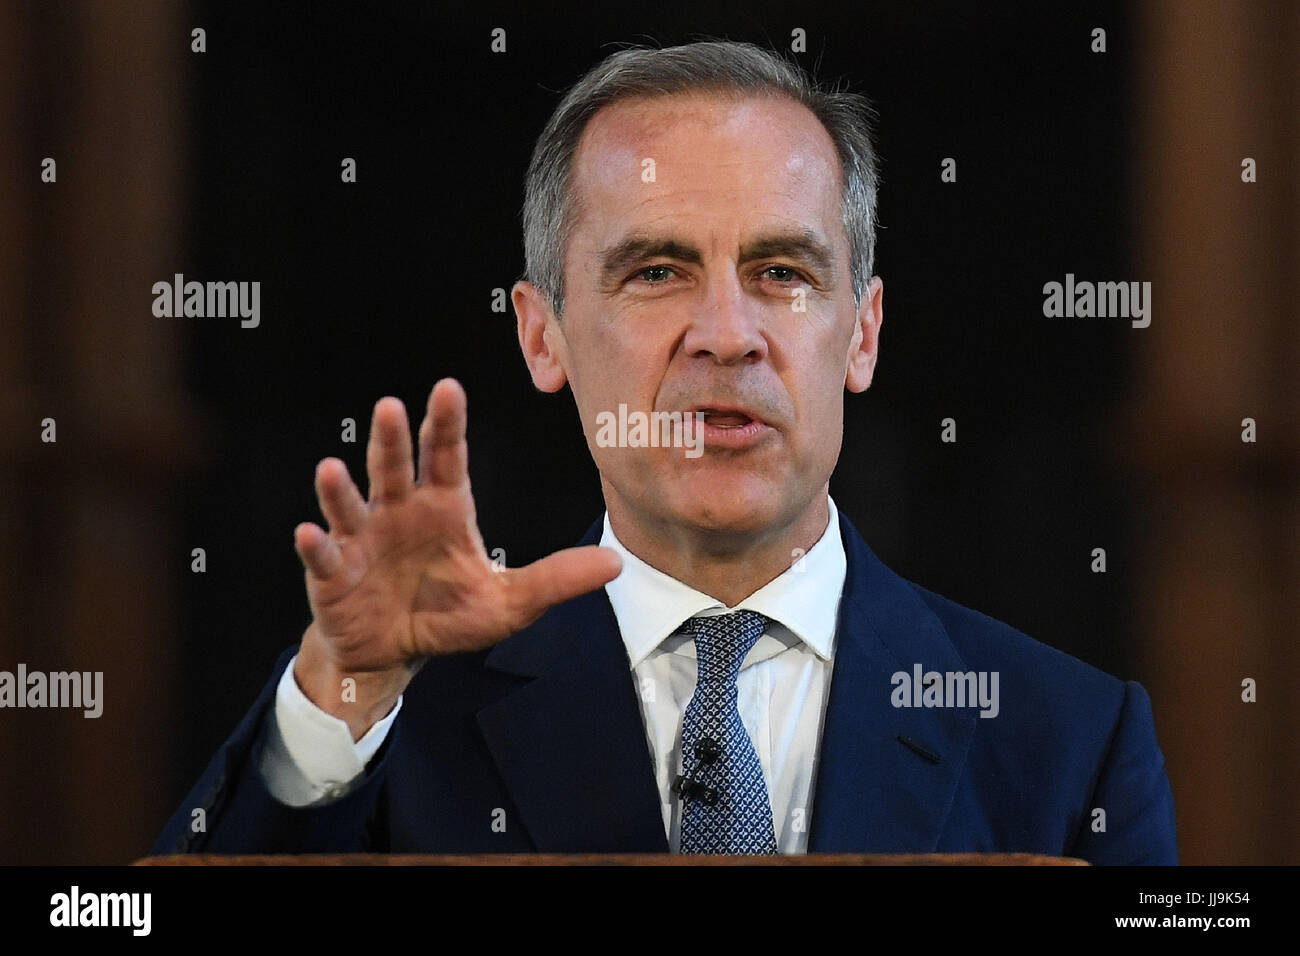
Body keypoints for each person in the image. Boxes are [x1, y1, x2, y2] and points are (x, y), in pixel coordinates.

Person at [152, 39, 1177, 862]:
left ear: (860, 333)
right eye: (655, 272)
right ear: (539, 332)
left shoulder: (1069, 739)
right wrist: (339, 695)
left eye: (781, 270)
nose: (726, 333)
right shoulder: (394, 719)